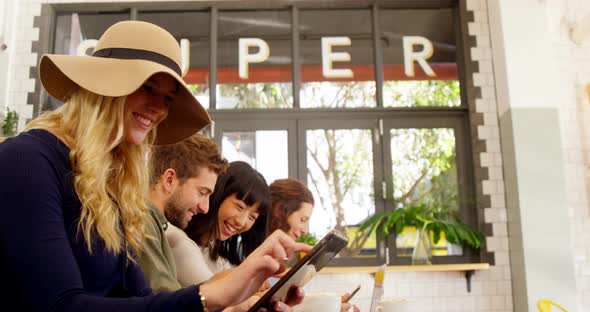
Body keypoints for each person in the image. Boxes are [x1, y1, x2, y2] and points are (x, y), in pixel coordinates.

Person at [0, 20, 309, 311]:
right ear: (103, 83)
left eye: (169, 97)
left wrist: (239, 305)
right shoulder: (27, 160)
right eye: (148, 87)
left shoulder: (111, 187)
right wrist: (208, 295)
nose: (159, 108)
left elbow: (139, 298)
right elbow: (60, 305)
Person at [138, 134, 228, 293]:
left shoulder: (156, 225)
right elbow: (167, 302)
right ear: (170, 180)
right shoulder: (143, 224)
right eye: (202, 192)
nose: (205, 208)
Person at [169, 161, 271, 286]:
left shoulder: (217, 258)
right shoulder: (178, 241)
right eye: (239, 207)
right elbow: (214, 294)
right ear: (218, 194)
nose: (241, 221)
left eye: (252, 217)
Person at [269, 179, 359, 312]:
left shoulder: (276, 265)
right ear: (279, 211)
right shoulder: (249, 259)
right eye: (302, 220)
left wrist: (329, 306)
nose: (305, 230)